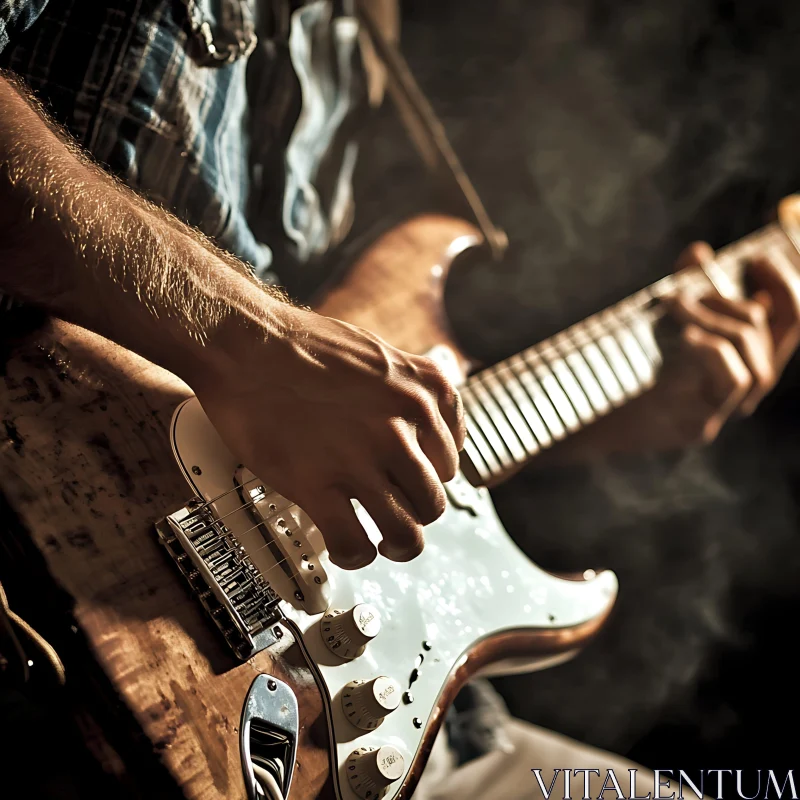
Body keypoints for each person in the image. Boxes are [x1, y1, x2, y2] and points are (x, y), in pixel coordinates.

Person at [0, 1, 798, 798]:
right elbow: (287, 368)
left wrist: (636, 414)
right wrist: (247, 339)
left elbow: (354, 415)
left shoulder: (360, 33)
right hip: (47, 545)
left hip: (359, 720)